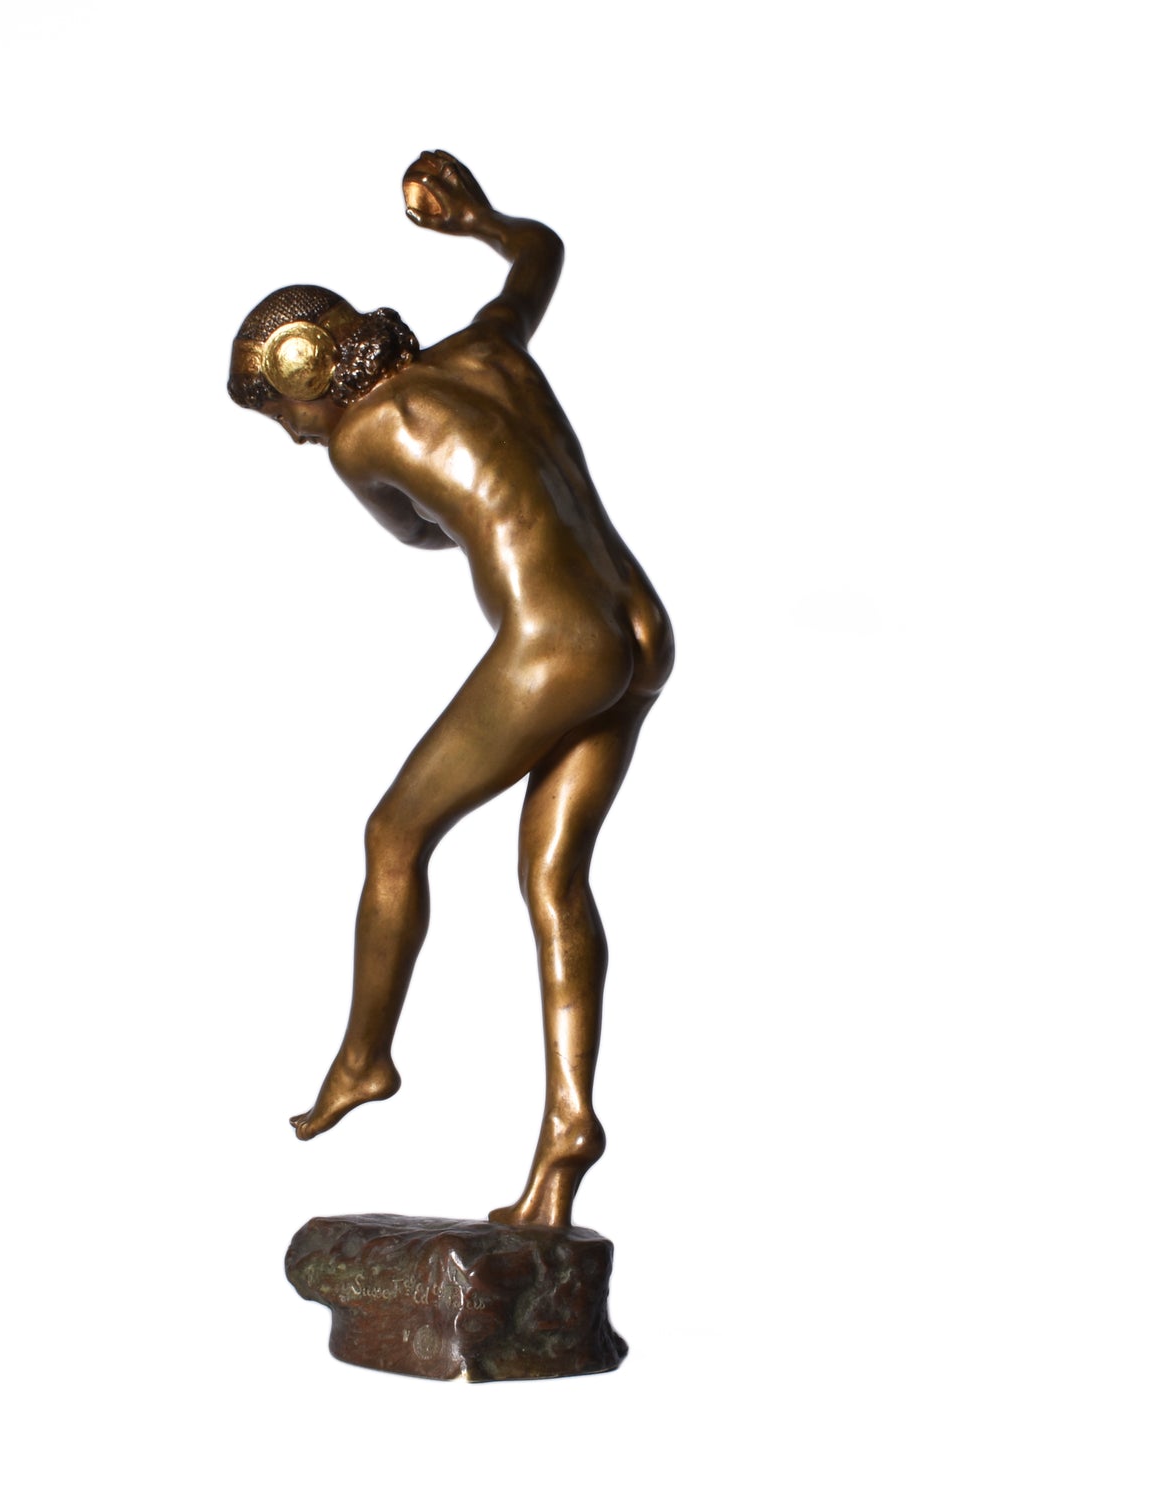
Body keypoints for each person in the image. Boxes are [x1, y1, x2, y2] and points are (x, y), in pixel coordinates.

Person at [228, 150, 674, 1228]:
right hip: (641, 625)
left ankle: (364, 1057)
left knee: (394, 833)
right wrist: (478, 219)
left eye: (283, 415)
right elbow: (541, 254)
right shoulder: (488, 350)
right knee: (553, 879)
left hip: (558, 644)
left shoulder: (362, 439)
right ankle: (566, 1136)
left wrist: (443, 510)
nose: (293, 438)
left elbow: (418, 534)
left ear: (306, 377)